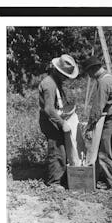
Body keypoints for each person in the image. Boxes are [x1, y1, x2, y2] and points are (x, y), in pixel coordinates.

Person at [82, 56, 112, 192]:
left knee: (105, 155)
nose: (89, 76)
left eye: (88, 73)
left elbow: (97, 108)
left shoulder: (103, 82)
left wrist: (89, 127)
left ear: (93, 69)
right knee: (111, 153)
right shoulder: (111, 78)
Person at [38, 54, 79, 188]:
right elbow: (49, 109)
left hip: (56, 119)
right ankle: (53, 182)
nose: (66, 78)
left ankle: (61, 177)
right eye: (65, 75)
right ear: (57, 71)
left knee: (63, 149)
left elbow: (60, 103)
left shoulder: (56, 82)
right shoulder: (49, 84)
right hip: (50, 121)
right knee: (57, 150)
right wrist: (62, 123)